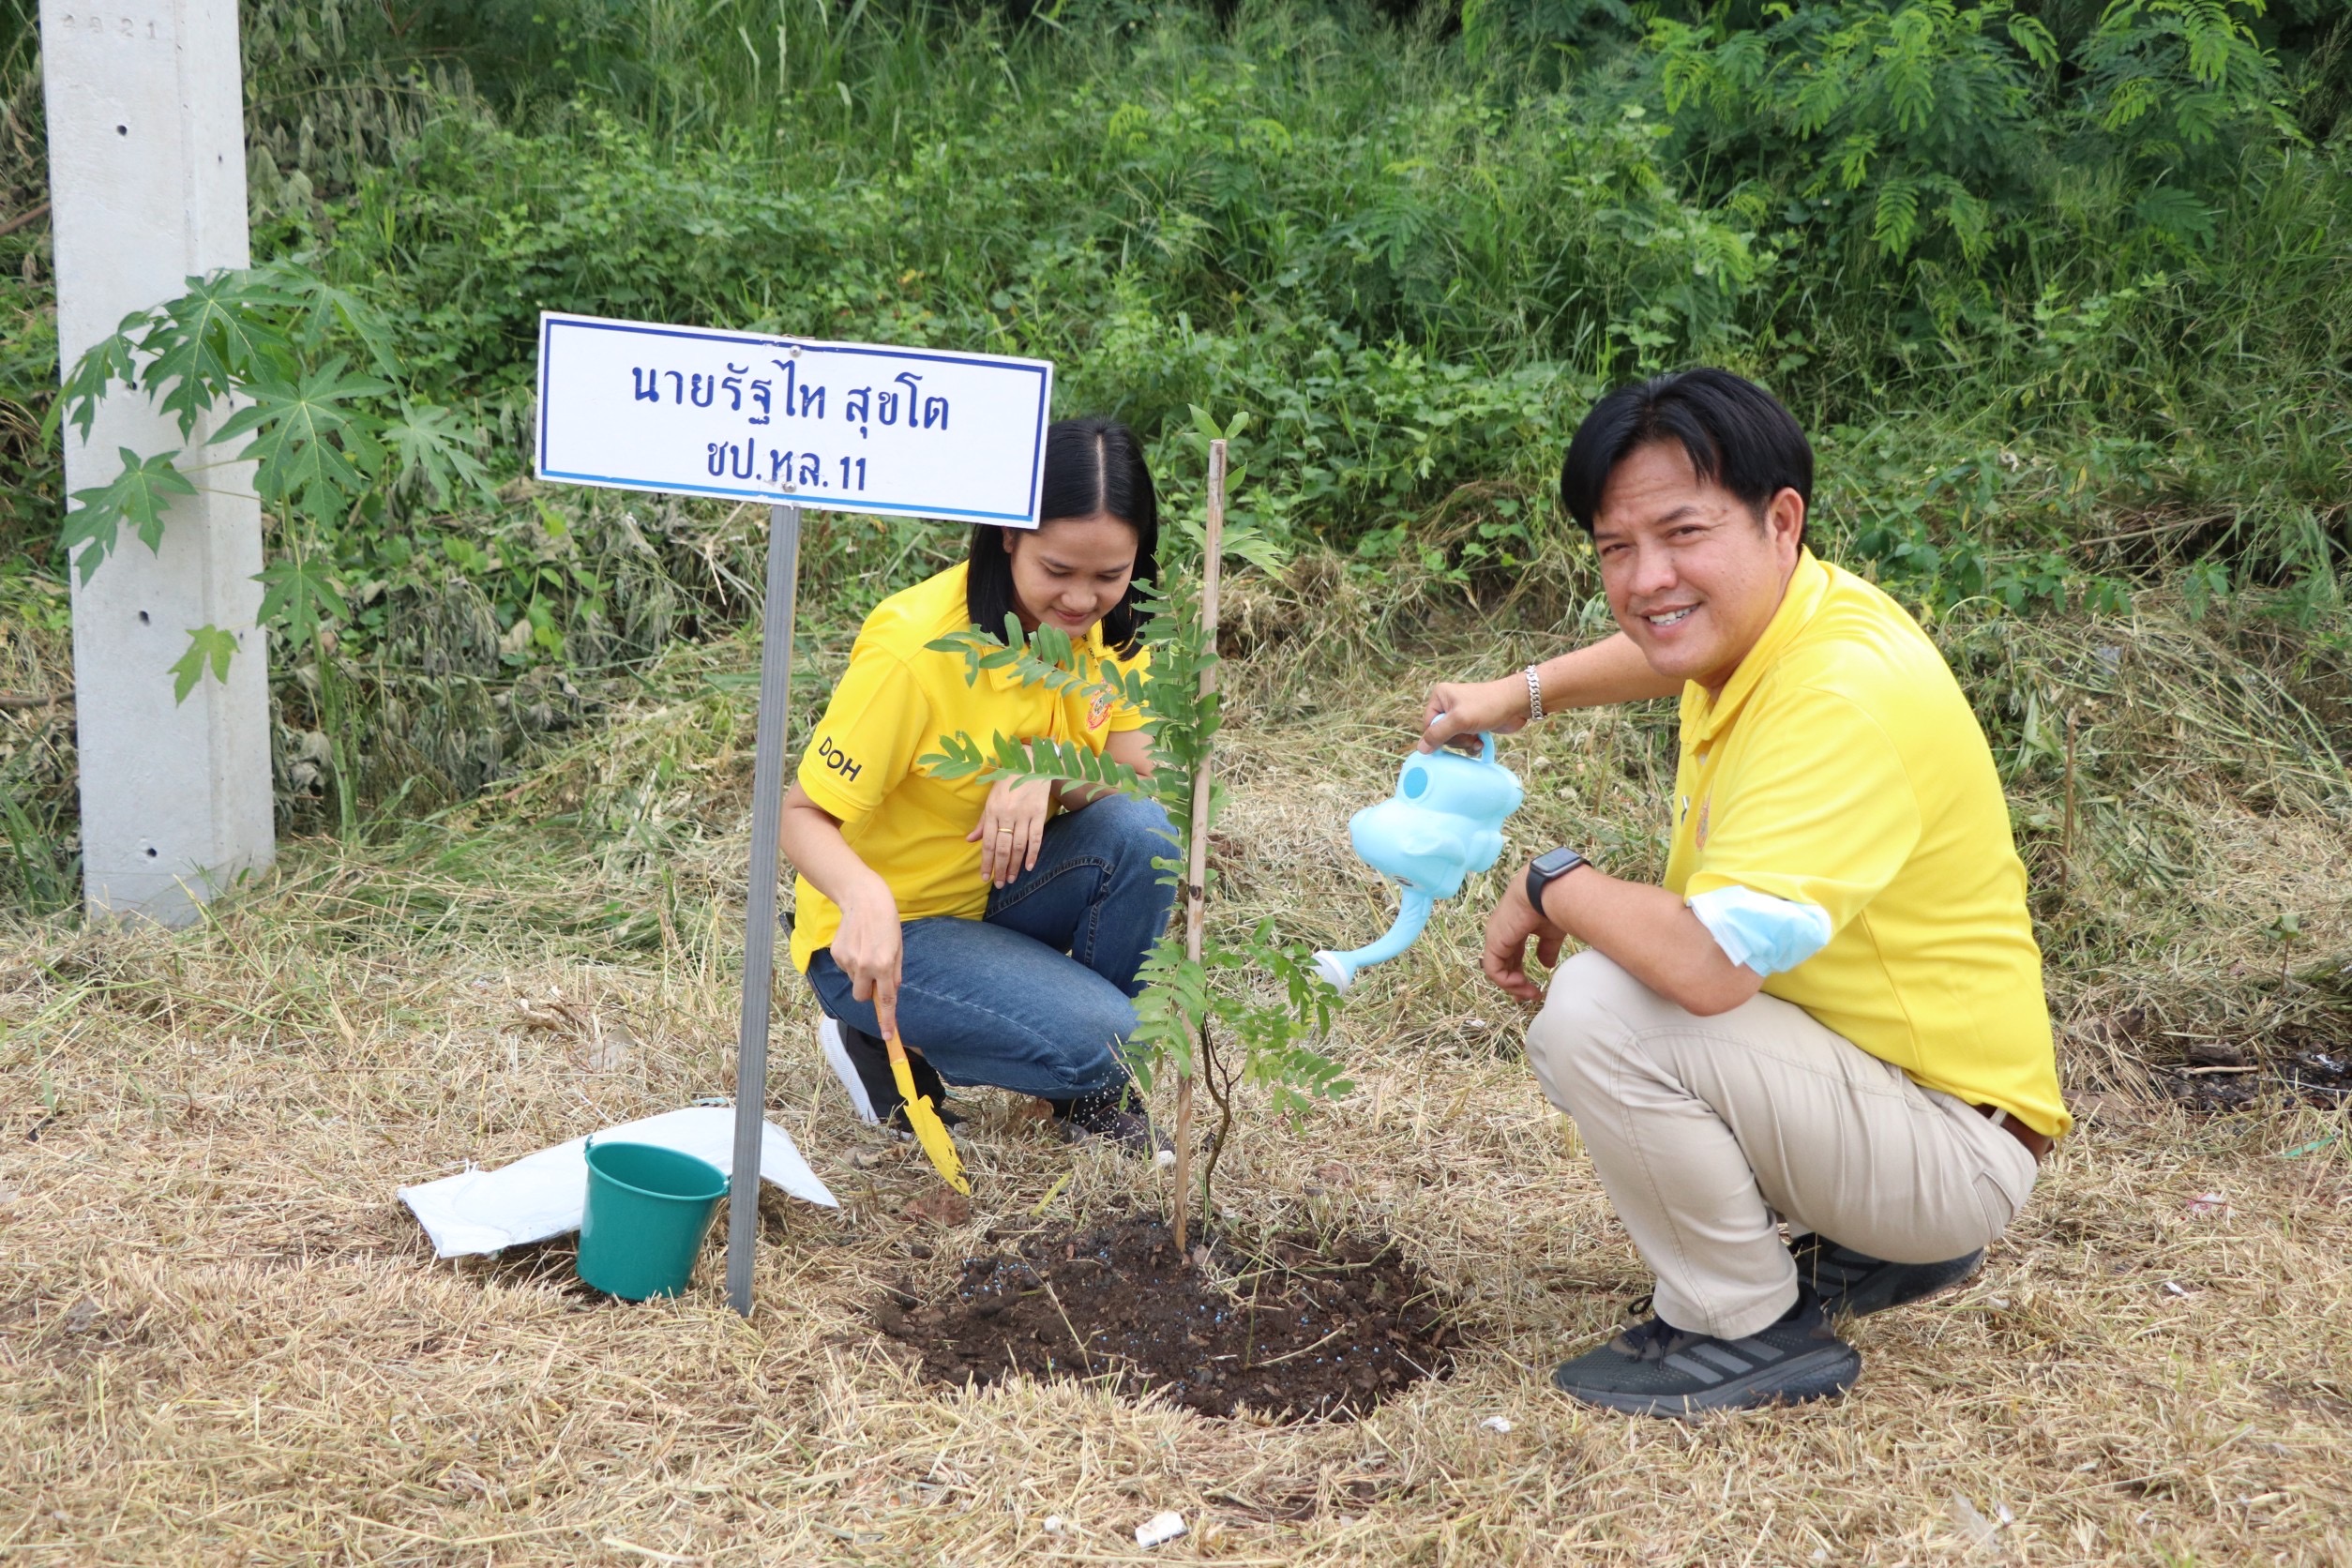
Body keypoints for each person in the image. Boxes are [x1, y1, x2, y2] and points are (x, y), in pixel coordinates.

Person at [1420, 369, 2070, 1417]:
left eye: (1683, 532)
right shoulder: (1795, 619)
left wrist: (1550, 884)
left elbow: (1708, 966)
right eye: (1616, 548)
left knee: (1599, 1009)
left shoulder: (1841, 698)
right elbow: (1668, 642)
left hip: (1951, 1152)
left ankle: (1743, 1323)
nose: (1648, 578)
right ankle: (1870, 1241)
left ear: (1781, 522)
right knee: (1624, 992)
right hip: (1918, 1100)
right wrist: (1520, 695)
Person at [779, 415, 1176, 1151]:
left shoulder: (1114, 627)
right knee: (1114, 1038)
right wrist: (864, 898)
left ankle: (1092, 1098)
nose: (1082, 600)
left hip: (1001, 891)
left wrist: (1048, 770)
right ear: (1008, 536)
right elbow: (799, 814)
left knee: (1143, 834)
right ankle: (878, 1040)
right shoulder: (917, 650)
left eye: (1109, 575)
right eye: (1058, 570)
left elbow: (1140, 772)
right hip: (893, 934)